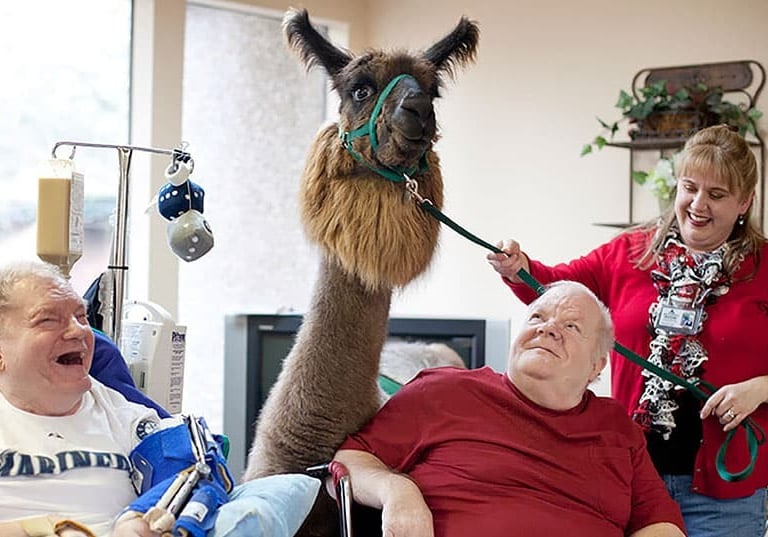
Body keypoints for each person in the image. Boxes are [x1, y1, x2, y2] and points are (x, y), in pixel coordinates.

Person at [487, 124, 768, 537]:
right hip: (632, 481)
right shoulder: (629, 253)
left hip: (725, 499)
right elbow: (555, 289)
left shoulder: (763, 270)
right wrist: (519, 268)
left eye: (717, 194)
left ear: (745, 201)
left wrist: (760, 388)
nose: (698, 205)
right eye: (690, 188)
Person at [333, 281, 686, 537]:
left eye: (571, 326)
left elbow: (661, 524)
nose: (548, 329)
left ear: (597, 366)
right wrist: (396, 490)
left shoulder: (616, 428)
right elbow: (348, 462)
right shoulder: (443, 391)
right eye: (537, 317)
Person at [0, 260, 319, 537]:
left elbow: (190, 469)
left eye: (81, 317)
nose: (77, 332)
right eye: (48, 320)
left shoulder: (126, 417)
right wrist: (43, 528)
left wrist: (139, 518)